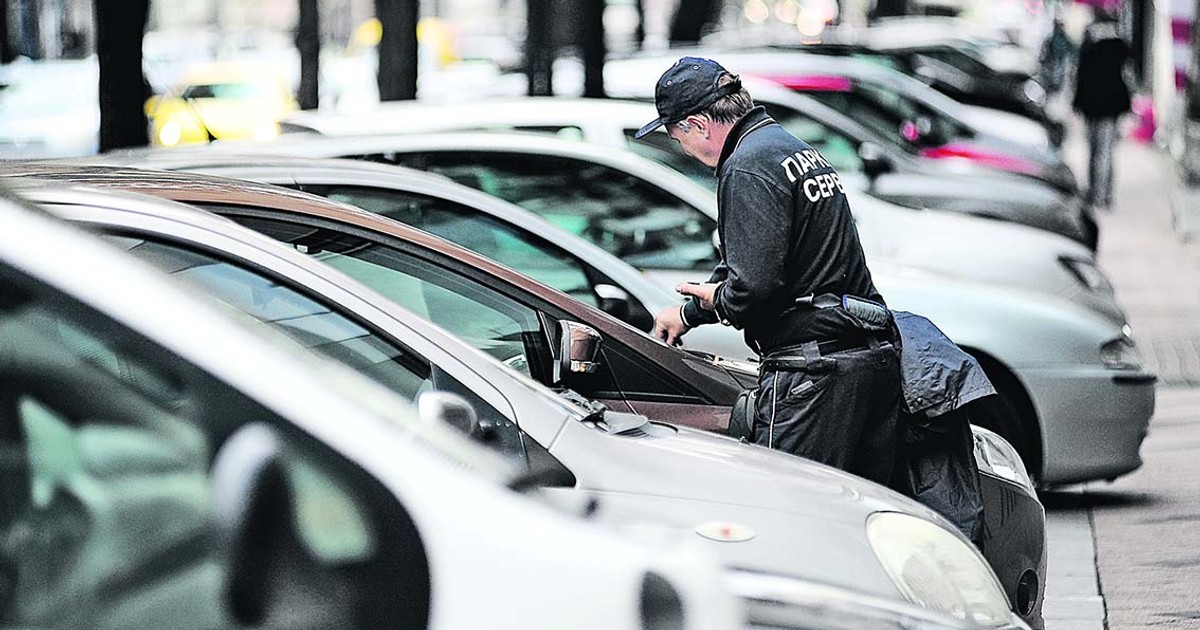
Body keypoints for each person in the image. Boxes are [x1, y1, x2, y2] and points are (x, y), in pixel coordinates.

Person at [639, 57, 902, 486]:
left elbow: (753, 288)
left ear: (699, 125)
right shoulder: (788, 147)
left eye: (676, 136)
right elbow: (768, 261)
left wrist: (717, 299)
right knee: (854, 513)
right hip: (863, 361)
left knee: (791, 506)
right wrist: (689, 313)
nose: (681, 148)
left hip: (814, 375)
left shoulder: (746, 166)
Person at [1073, 5, 1132, 211]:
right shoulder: (1119, 46)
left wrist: (1077, 103)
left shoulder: (1089, 45)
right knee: (1106, 151)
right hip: (1110, 108)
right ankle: (1104, 194)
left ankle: (1093, 192)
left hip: (1091, 106)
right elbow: (1126, 77)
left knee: (1093, 150)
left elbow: (1080, 76)